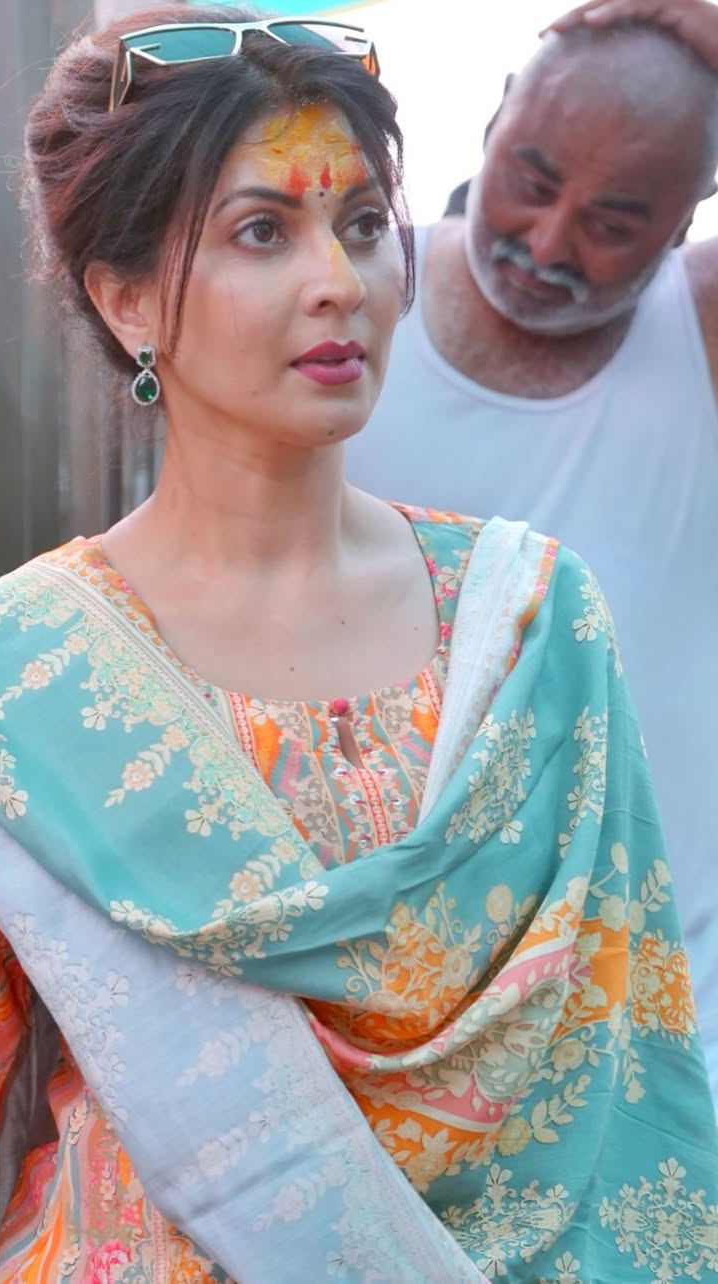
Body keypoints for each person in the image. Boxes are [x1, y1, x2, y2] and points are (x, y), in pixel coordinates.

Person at [0, 6, 716, 1281]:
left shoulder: (534, 632)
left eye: (366, 225)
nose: (340, 278)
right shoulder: (1, 691)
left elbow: (634, 1121)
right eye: (262, 231)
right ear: (123, 299)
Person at [344, 0, 718, 1105]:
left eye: (615, 220)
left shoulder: (697, 327)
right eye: (533, 176)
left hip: (657, 1033)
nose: (548, 242)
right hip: (380, 1031)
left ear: (692, 209)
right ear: (496, 113)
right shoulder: (347, 300)